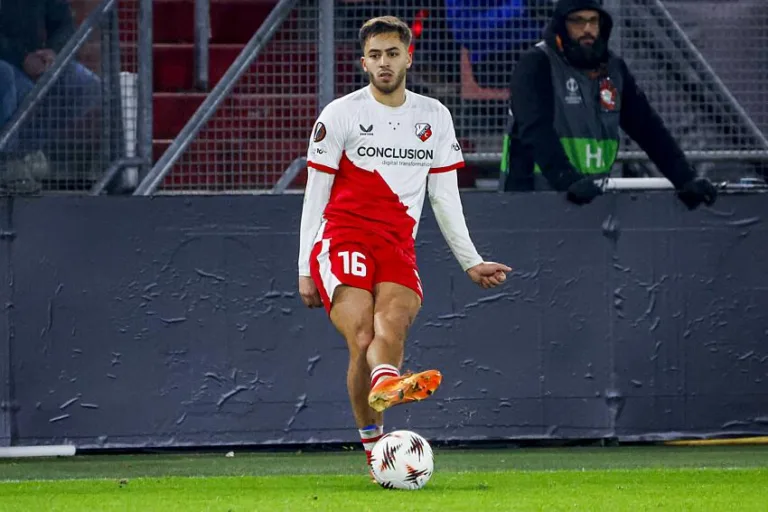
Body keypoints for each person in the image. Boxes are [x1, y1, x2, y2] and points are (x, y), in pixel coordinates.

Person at [297, 16, 511, 473]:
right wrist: (303, 269)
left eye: (392, 54)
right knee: (362, 335)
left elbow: (444, 197)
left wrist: (471, 261)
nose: (384, 63)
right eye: (375, 55)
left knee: (391, 322)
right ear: (363, 63)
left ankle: (386, 385)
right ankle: (375, 442)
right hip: (342, 236)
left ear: (408, 58)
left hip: (397, 245)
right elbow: (316, 193)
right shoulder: (340, 114)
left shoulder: (434, 116)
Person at [498, 0, 718, 210]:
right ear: (561, 25)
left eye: (593, 21)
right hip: (531, 198)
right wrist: (566, 180)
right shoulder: (537, 63)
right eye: (578, 21)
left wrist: (685, 178)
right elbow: (535, 130)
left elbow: (648, 128)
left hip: (589, 198)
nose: (587, 29)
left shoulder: (614, 70)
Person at [0, 0, 101, 192]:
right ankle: (6, 159)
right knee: (8, 78)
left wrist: (54, 53)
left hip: (36, 62)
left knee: (86, 85)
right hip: (8, 62)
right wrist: (22, 58)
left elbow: (64, 25)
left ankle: (28, 152)